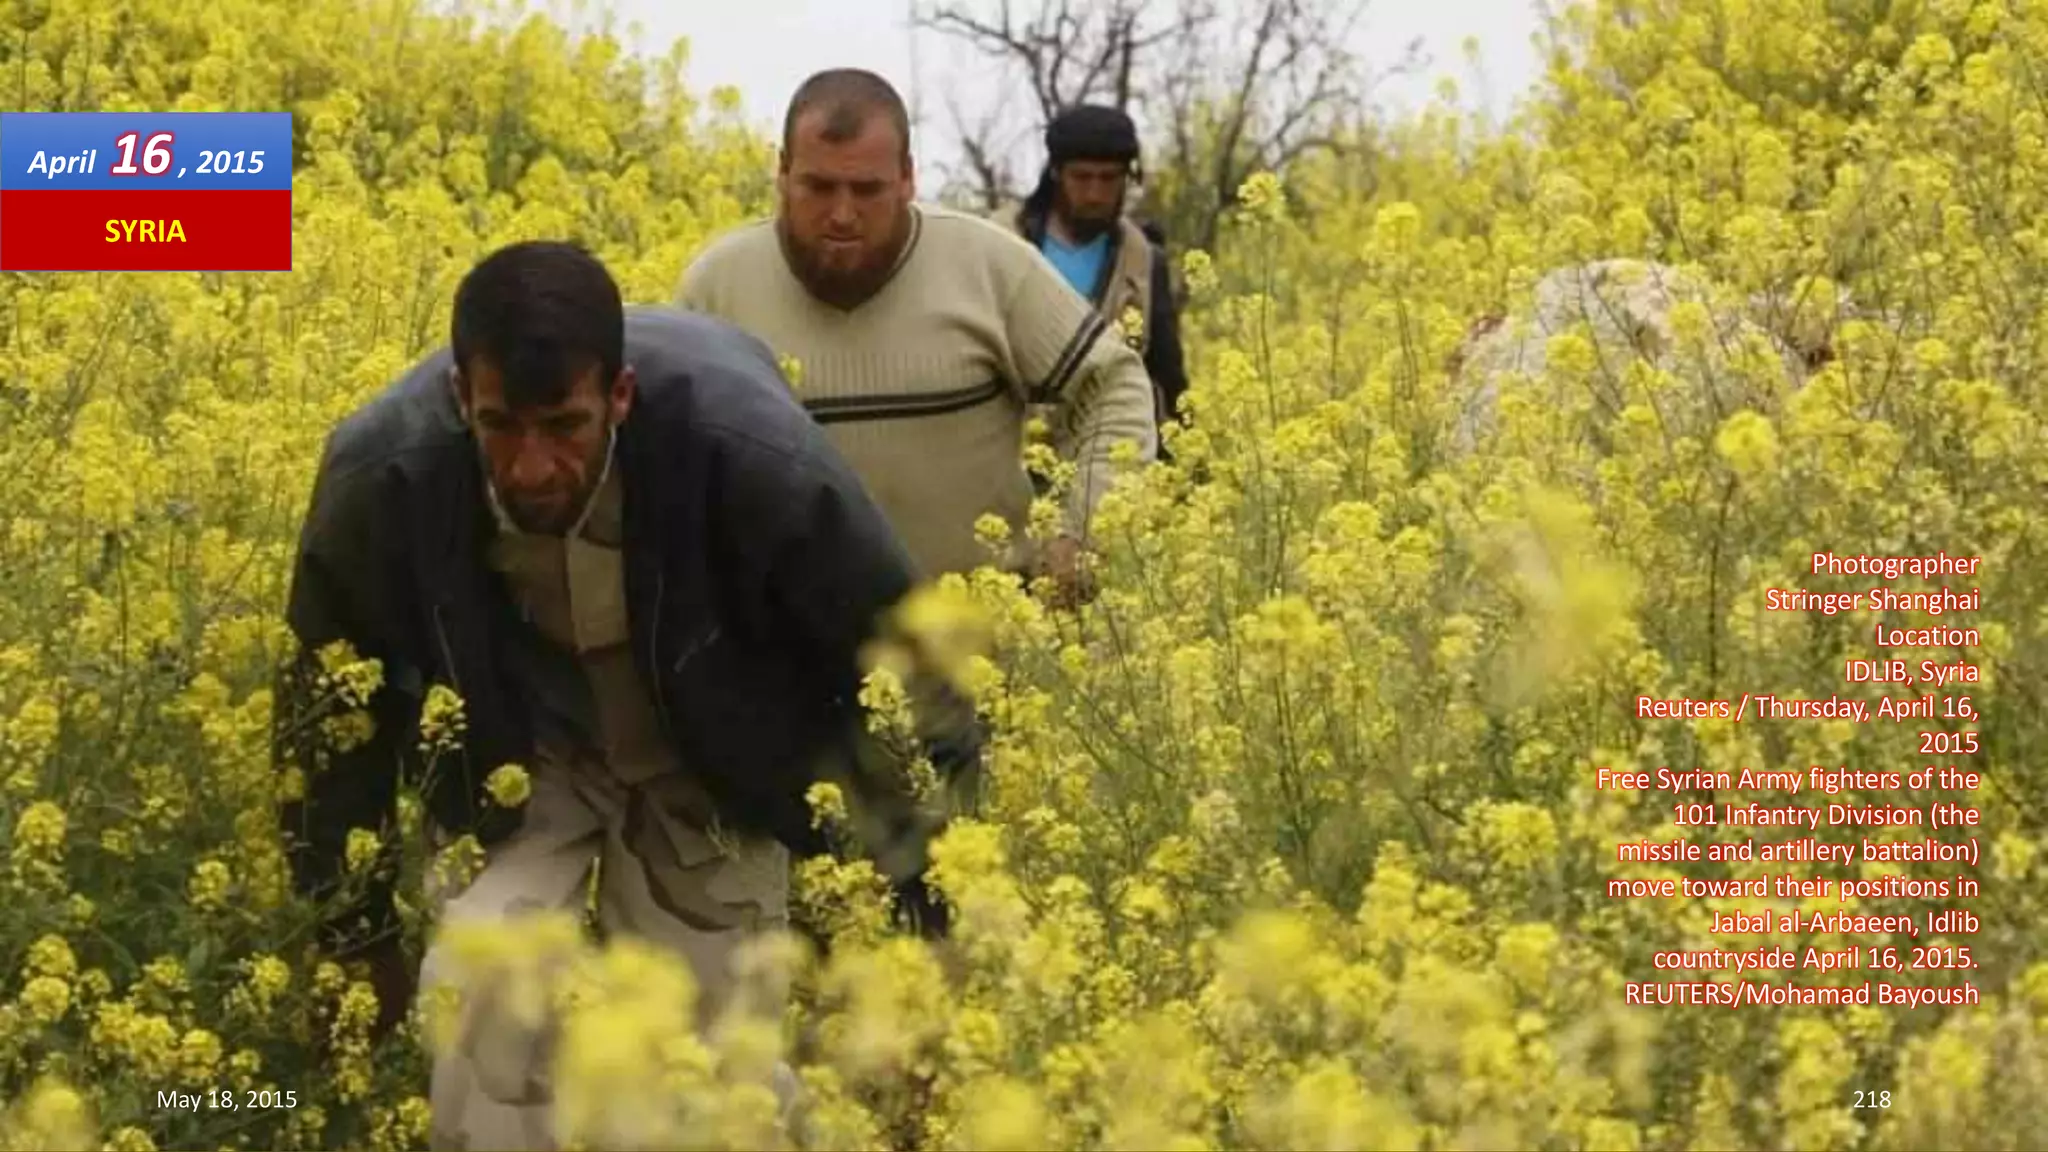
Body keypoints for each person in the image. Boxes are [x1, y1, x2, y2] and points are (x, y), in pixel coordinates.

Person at [273, 240, 974, 1150]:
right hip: (520, 746)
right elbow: (328, 712)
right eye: (499, 426)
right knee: (480, 995)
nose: (530, 467)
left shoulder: (751, 458)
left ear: (621, 397)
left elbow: (910, 679)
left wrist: (921, 926)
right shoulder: (387, 471)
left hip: (709, 748)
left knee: (715, 1052)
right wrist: (353, 934)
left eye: (564, 426)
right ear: (459, 398)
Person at [674, 69, 1159, 593]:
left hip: (983, 633)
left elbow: (1112, 385)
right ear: (783, 173)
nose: (842, 214)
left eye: (867, 190)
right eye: (819, 187)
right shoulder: (717, 288)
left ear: (907, 178)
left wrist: (1084, 531)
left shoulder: (987, 265)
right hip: (790, 639)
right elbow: (671, 457)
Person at [992, 103, 1189, 436]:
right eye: (1081, 178)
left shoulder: (1143, 261)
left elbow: (1167, 377)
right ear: (1056, 173)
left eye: (1108, 179)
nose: (1095, 194)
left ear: (1128, 178)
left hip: (1111, 451)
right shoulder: (1000, 243)